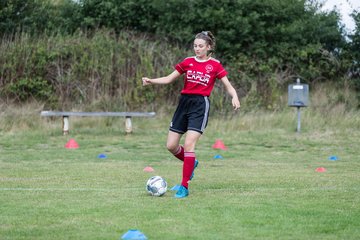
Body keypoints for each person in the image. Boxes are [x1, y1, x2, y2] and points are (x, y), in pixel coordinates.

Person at [142, 31, 240, 198]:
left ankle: (184, 186)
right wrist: (151, 81)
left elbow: (228, 86)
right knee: (171, 146)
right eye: (195, 46)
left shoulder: (215, 65)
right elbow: (168, 78)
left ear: (208, 47)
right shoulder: (188, 62)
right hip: (184, 104)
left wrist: (235, 96)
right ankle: (191, 163)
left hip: (200, 106)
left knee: (189, 145)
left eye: (201, 46)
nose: (197, 49)